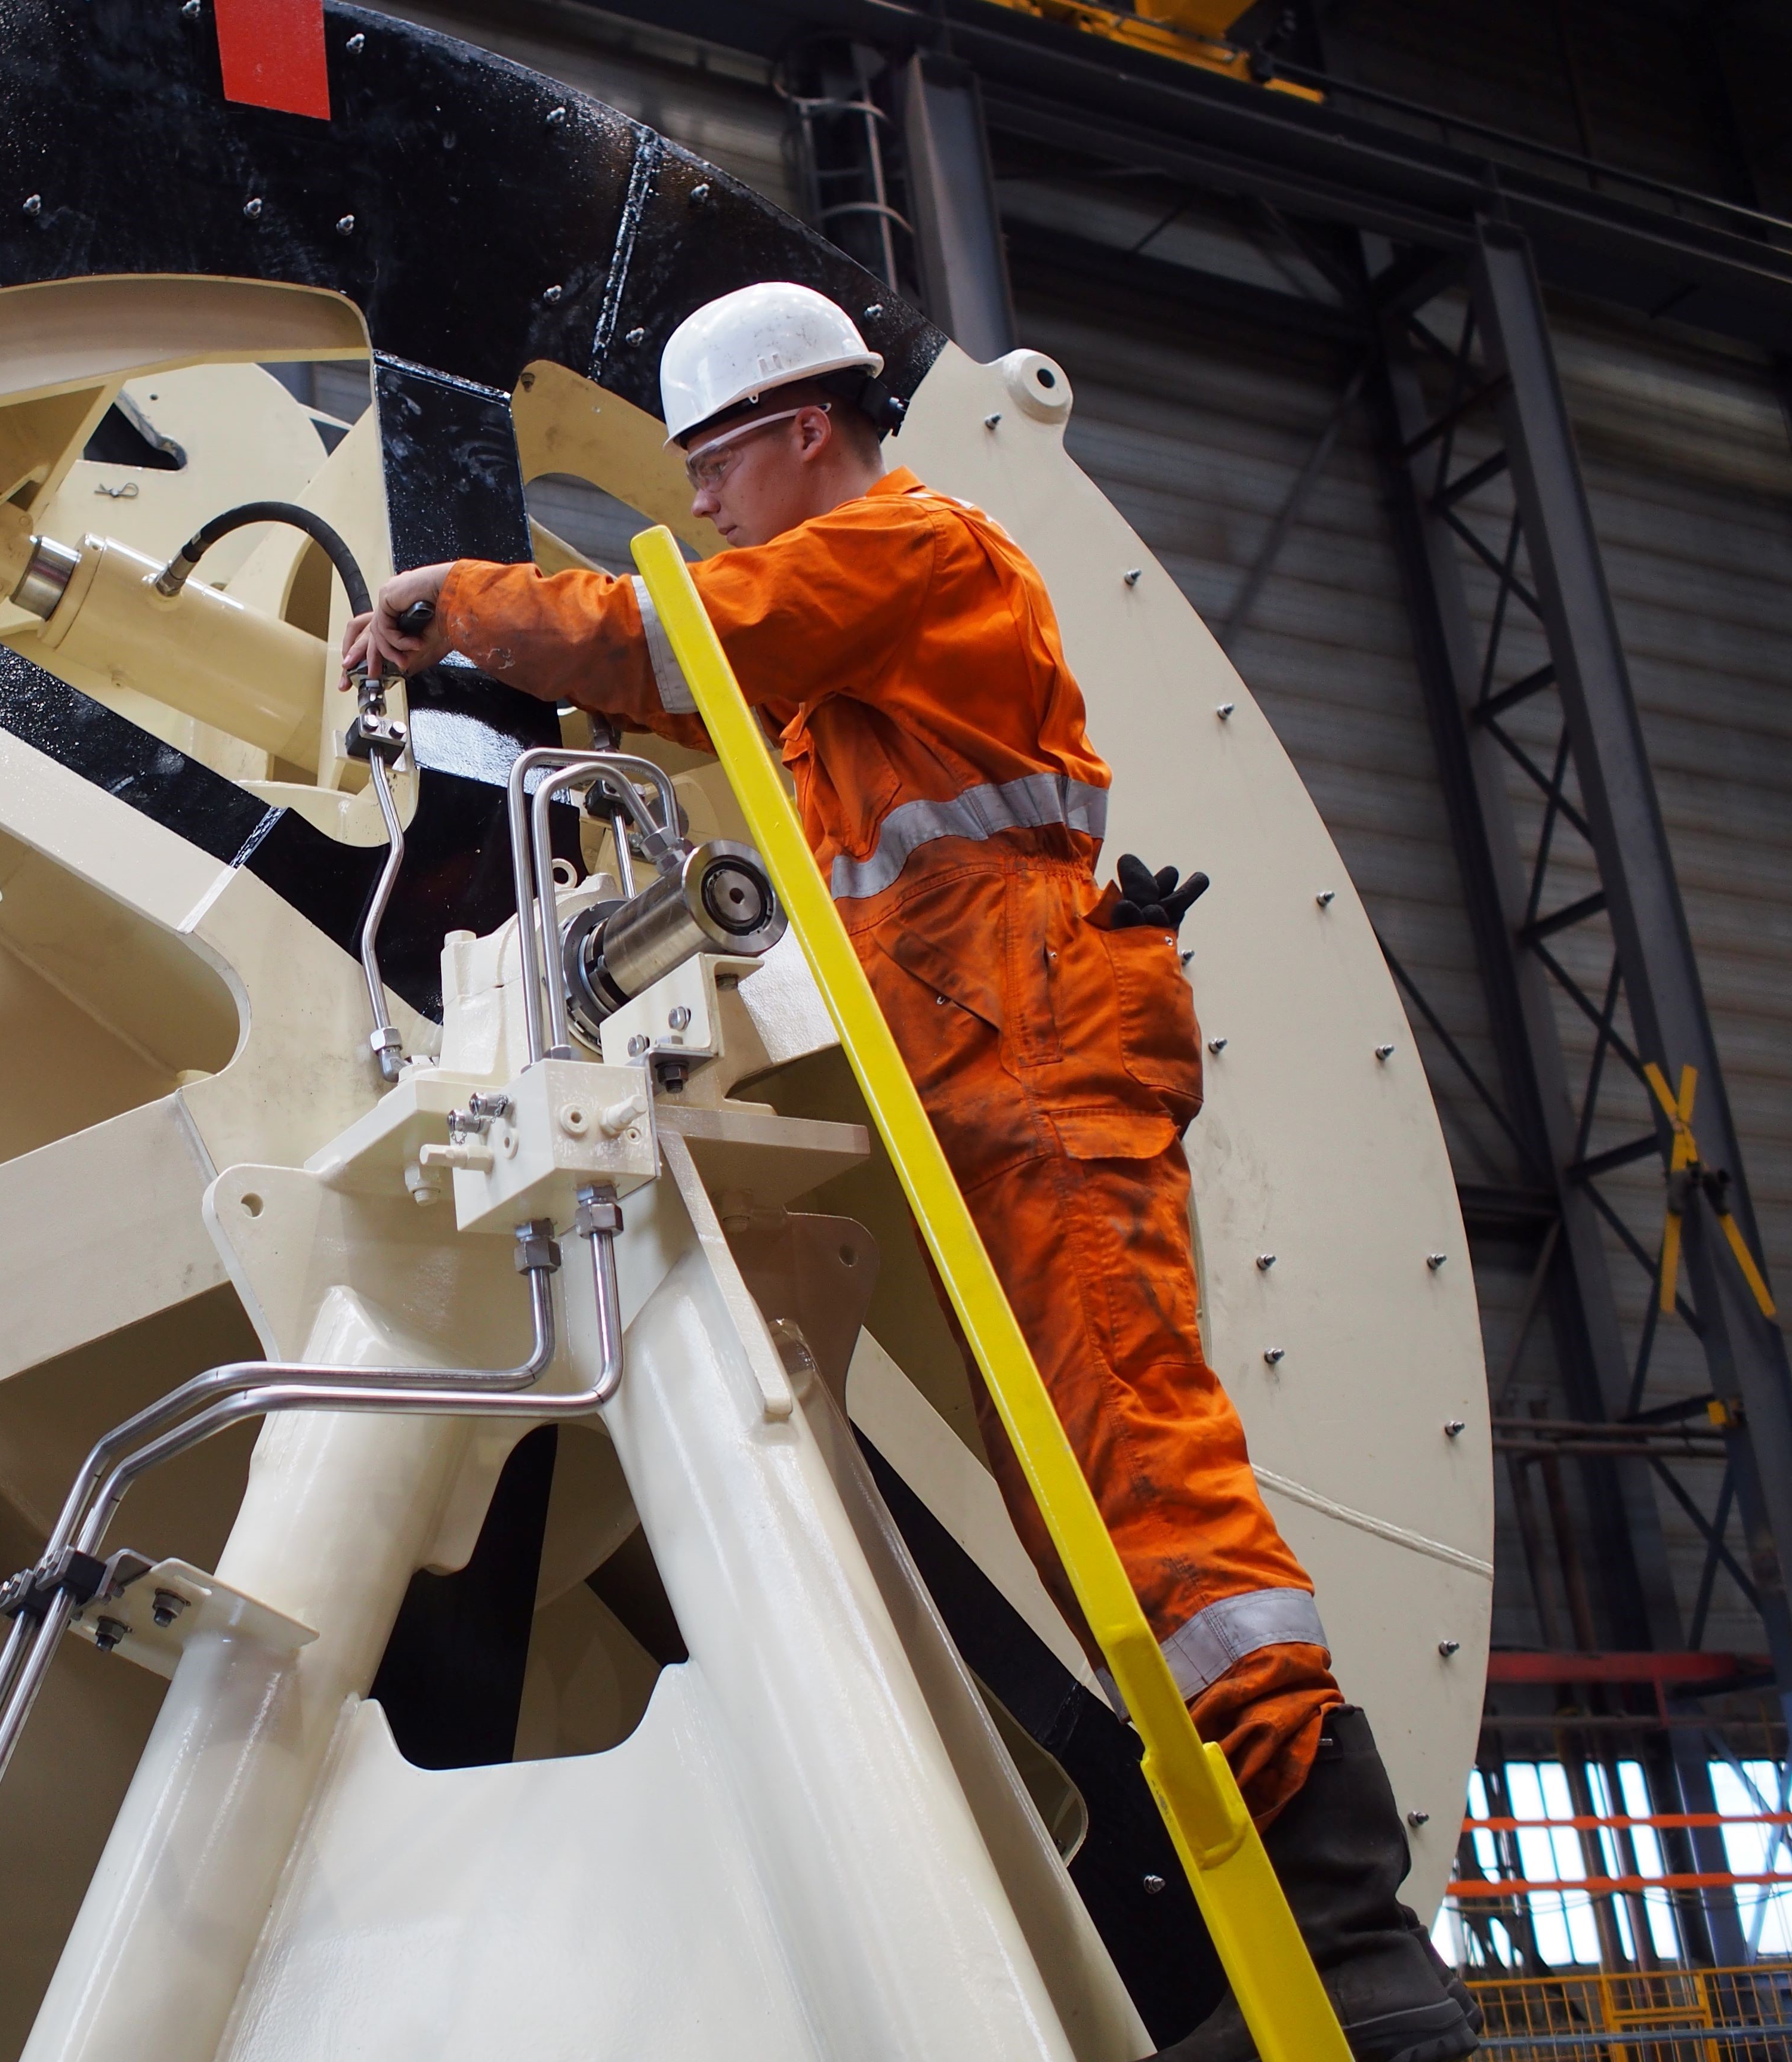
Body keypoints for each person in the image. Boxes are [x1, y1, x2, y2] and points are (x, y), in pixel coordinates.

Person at [343, 282, 1478, 2062]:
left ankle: (1353, 1953)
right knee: (1080, 1508)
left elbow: (677, 645)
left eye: (715, 465)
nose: (701, 502)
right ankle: (1284, 1945)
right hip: (980, 1067)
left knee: (1141, 1466)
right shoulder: (852, 643)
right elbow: (698, 705)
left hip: (1029, 1050)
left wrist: (455, 603)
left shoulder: (912, 547)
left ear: (804, 434)